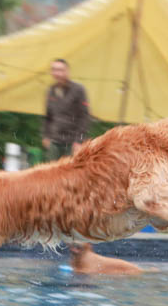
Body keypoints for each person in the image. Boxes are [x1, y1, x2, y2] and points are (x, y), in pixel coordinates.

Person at [42, 58, 142, 275]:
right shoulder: (51, 91)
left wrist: (80, 140)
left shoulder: (78, 90)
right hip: (55, 139)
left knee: (73, 176)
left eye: (60, 69)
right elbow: (48, 116)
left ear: (67, 71)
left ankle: (76, 207)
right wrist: (46, 135)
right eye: (54, 70)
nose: (57, 73)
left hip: (71, 140)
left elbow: (84, 116)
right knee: (52, 176)